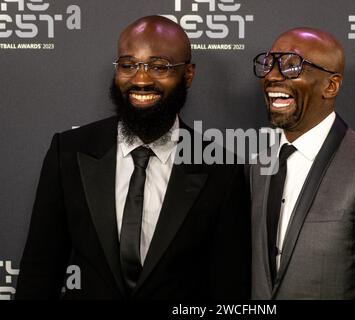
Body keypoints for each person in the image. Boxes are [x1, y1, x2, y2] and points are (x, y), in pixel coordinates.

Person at [16, 16, 250, 300]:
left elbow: (228, 288)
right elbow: (39, 272)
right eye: (128, 65)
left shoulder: (222, 169)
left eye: (159, 66)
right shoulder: (68, 151)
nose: (140, 79)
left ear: (188, 74)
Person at [249, 27, 355, 299]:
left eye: (291, 65)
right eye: (269, 63)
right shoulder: (257, 168)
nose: (272, 75)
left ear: (331, 86)